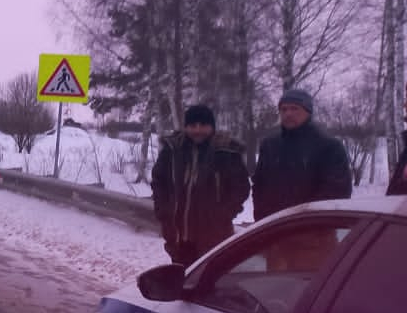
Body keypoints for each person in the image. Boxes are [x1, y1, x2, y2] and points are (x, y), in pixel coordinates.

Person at [151, 104, 250, 265]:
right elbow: (158, 182)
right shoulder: (172, 150)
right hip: (177, 235)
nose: (197, 130)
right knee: (182, 279)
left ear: (212, 127)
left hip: (214, 235)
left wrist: (223, 214)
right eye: (192, 126)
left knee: (210, 280)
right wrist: (163, 211)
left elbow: (240, 188)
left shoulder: (227, 152)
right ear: (186, 127)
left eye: (203, 125)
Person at [251, 87, 352, 221]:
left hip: (312, 231)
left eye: (294, 108)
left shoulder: (329, 146)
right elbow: (259, 186)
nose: (288, 114)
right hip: (272, 229)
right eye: (284, 109)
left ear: (308, 112)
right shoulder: (269, 145)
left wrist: (304, 221)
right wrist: (261, 218)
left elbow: (336, 193)